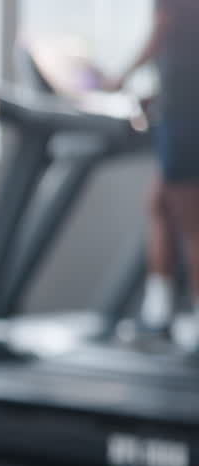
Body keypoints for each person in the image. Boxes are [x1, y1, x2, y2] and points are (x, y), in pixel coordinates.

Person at [111, 0, 199, 345]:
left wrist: (119, 77)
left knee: (192, 221)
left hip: (186, 115)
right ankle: (158, 314)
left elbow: (163, 30)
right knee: (160, 204)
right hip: (179, 105)